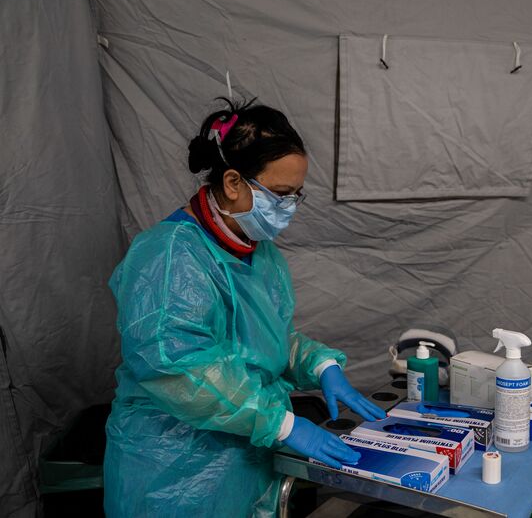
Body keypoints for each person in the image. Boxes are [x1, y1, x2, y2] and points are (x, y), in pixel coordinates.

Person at [103, 98, 386, 517]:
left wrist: (322, 366)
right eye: (281, 195)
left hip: (245, 458)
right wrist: (283, 425)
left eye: (296, 197)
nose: (288, 209)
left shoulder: (259, 253)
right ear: (234, 183)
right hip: (177, 471)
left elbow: (264, 339)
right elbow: (178, 367)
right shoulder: (168, 258)